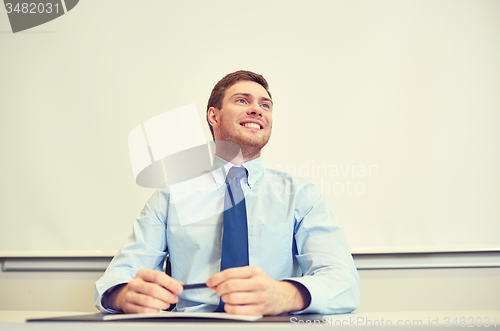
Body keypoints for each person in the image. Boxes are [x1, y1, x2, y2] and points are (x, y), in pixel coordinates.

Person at [95, 70, 360, 316]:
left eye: (265, 105)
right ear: (214, 116)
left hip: (271, 326)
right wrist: (122, 296)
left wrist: (288, 295)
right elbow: (116, 278)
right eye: (243, 100)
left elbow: (344, 282)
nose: (257, 109)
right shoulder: (170, 197)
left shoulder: (301, 195)